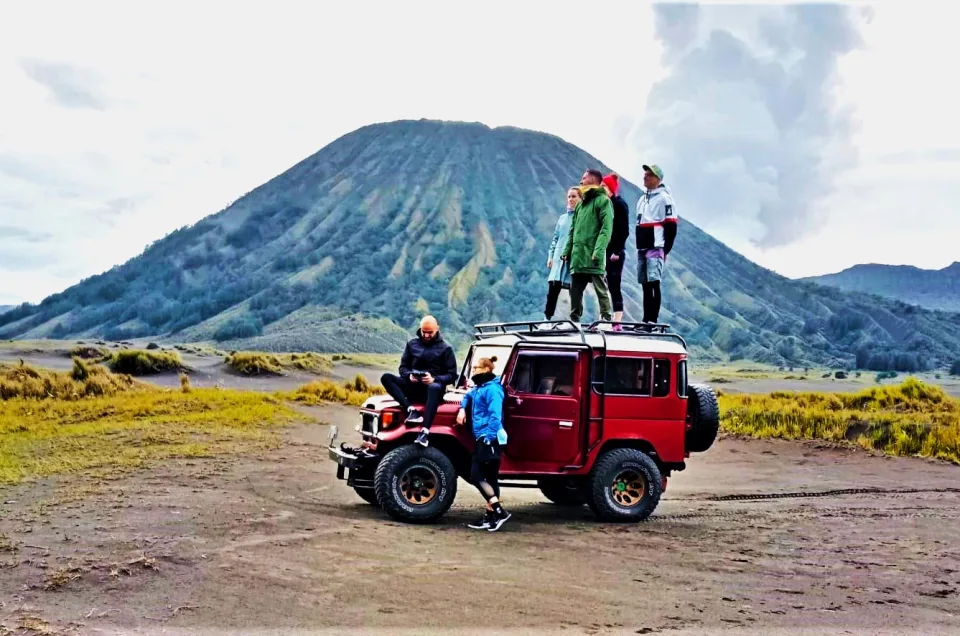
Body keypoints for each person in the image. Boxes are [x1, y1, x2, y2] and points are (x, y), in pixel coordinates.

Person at [380, 315, 458, 447]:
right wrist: (409, 375)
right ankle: (411, 410)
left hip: (433, 391)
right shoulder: (412, 344)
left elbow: (452, 375)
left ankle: (424, 432)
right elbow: (402, 368)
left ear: (437, 329)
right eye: (424, 332)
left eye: (430, 332)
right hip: (413, 386)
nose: (426, 335)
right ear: (420, 329)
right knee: (386, 377)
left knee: (434, 387)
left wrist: (434, 379)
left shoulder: (446, 348)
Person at [456, 356, 511, 532]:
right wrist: (462, 409)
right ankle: (490, 517)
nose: (473, 371)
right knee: (491, 477)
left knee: (476, 476)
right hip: (484, 436)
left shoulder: (493, 389)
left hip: (490, 437)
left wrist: (488, 437)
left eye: (476, 368)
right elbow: (468, 396)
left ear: (486, 369)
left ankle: (499, 511)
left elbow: (496, 415)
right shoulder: (480, 387)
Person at [561, 169, 614, 324]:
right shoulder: (580, 205)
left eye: (583, 178)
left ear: (592, 180)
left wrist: (599, 250)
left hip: (593, 254)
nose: (581, 181)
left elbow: (606, 228)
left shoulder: (603, 201)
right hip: (578, 255)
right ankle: (574, 320)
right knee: (575, 290)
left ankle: (606, 319)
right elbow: (572, 231)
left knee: (600, 289)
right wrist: (566, 250)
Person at [635, 164, 678, 324]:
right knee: (645, 284)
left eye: (649, 175)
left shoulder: (665, 199)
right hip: (642, 246)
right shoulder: (642, 199)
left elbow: (671, 227)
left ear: (658, 179)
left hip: (656, 246)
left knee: (653, 282)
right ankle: (646, 319)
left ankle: (653, 320)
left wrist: (666, 250)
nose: (645, 176)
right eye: (645, 174)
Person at [544, 187, 580, 320]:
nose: (571, 199)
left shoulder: (582, 219)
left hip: (573, 259)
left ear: (580, 198)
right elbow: (555, 238)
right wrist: (550, 257)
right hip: (558, 259)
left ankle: (574, 320)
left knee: (574, 291)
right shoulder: (562, 218)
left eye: (574, 196)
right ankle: (547, 319)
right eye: (569, 196)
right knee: (552, 290)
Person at [601, 173, 630, 330]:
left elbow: (624, 230)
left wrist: (617, 251)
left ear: (611, 189)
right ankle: (604, 318)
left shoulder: (619, 205)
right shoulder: (605, 205)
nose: (602, 189)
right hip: (605, 251)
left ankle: (617, 321)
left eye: (604, 186)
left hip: (615, 252)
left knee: (614, 285)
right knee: (603, 285)